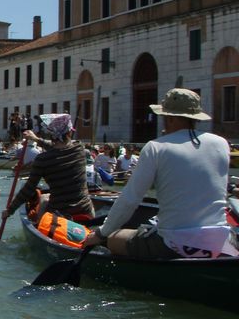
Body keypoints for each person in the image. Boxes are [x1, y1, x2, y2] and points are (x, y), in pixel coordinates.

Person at [84, 89, 236, 258]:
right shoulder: (222, 144)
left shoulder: (156, 147)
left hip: (174, 242)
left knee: (114, 239)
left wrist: (101, 234)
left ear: (169, 118)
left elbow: (130, 200)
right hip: (221, 239)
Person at [1, 113, 94, 223]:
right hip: (86, 211)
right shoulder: (79, 148)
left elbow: (28, 190)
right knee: (46, 198)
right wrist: (36, 139)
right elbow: (58, 148)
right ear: (69, 132)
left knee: (44, 199)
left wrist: (10, 210)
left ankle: (40, 225)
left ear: (50, 134)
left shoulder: (42, 159)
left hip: (59, 215)